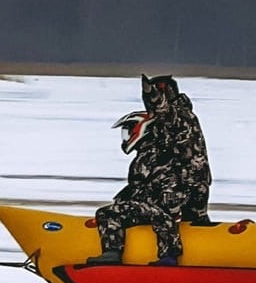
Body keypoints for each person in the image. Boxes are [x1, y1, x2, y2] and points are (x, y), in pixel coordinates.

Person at [89, 74, 212, 266]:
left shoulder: (179, 117)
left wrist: (151, 93)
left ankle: (120, 254)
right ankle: (199, 253)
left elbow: (164, 110)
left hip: (183, 185)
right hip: (194, 185)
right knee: (193, 221)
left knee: (117, 213)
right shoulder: (168, 135)